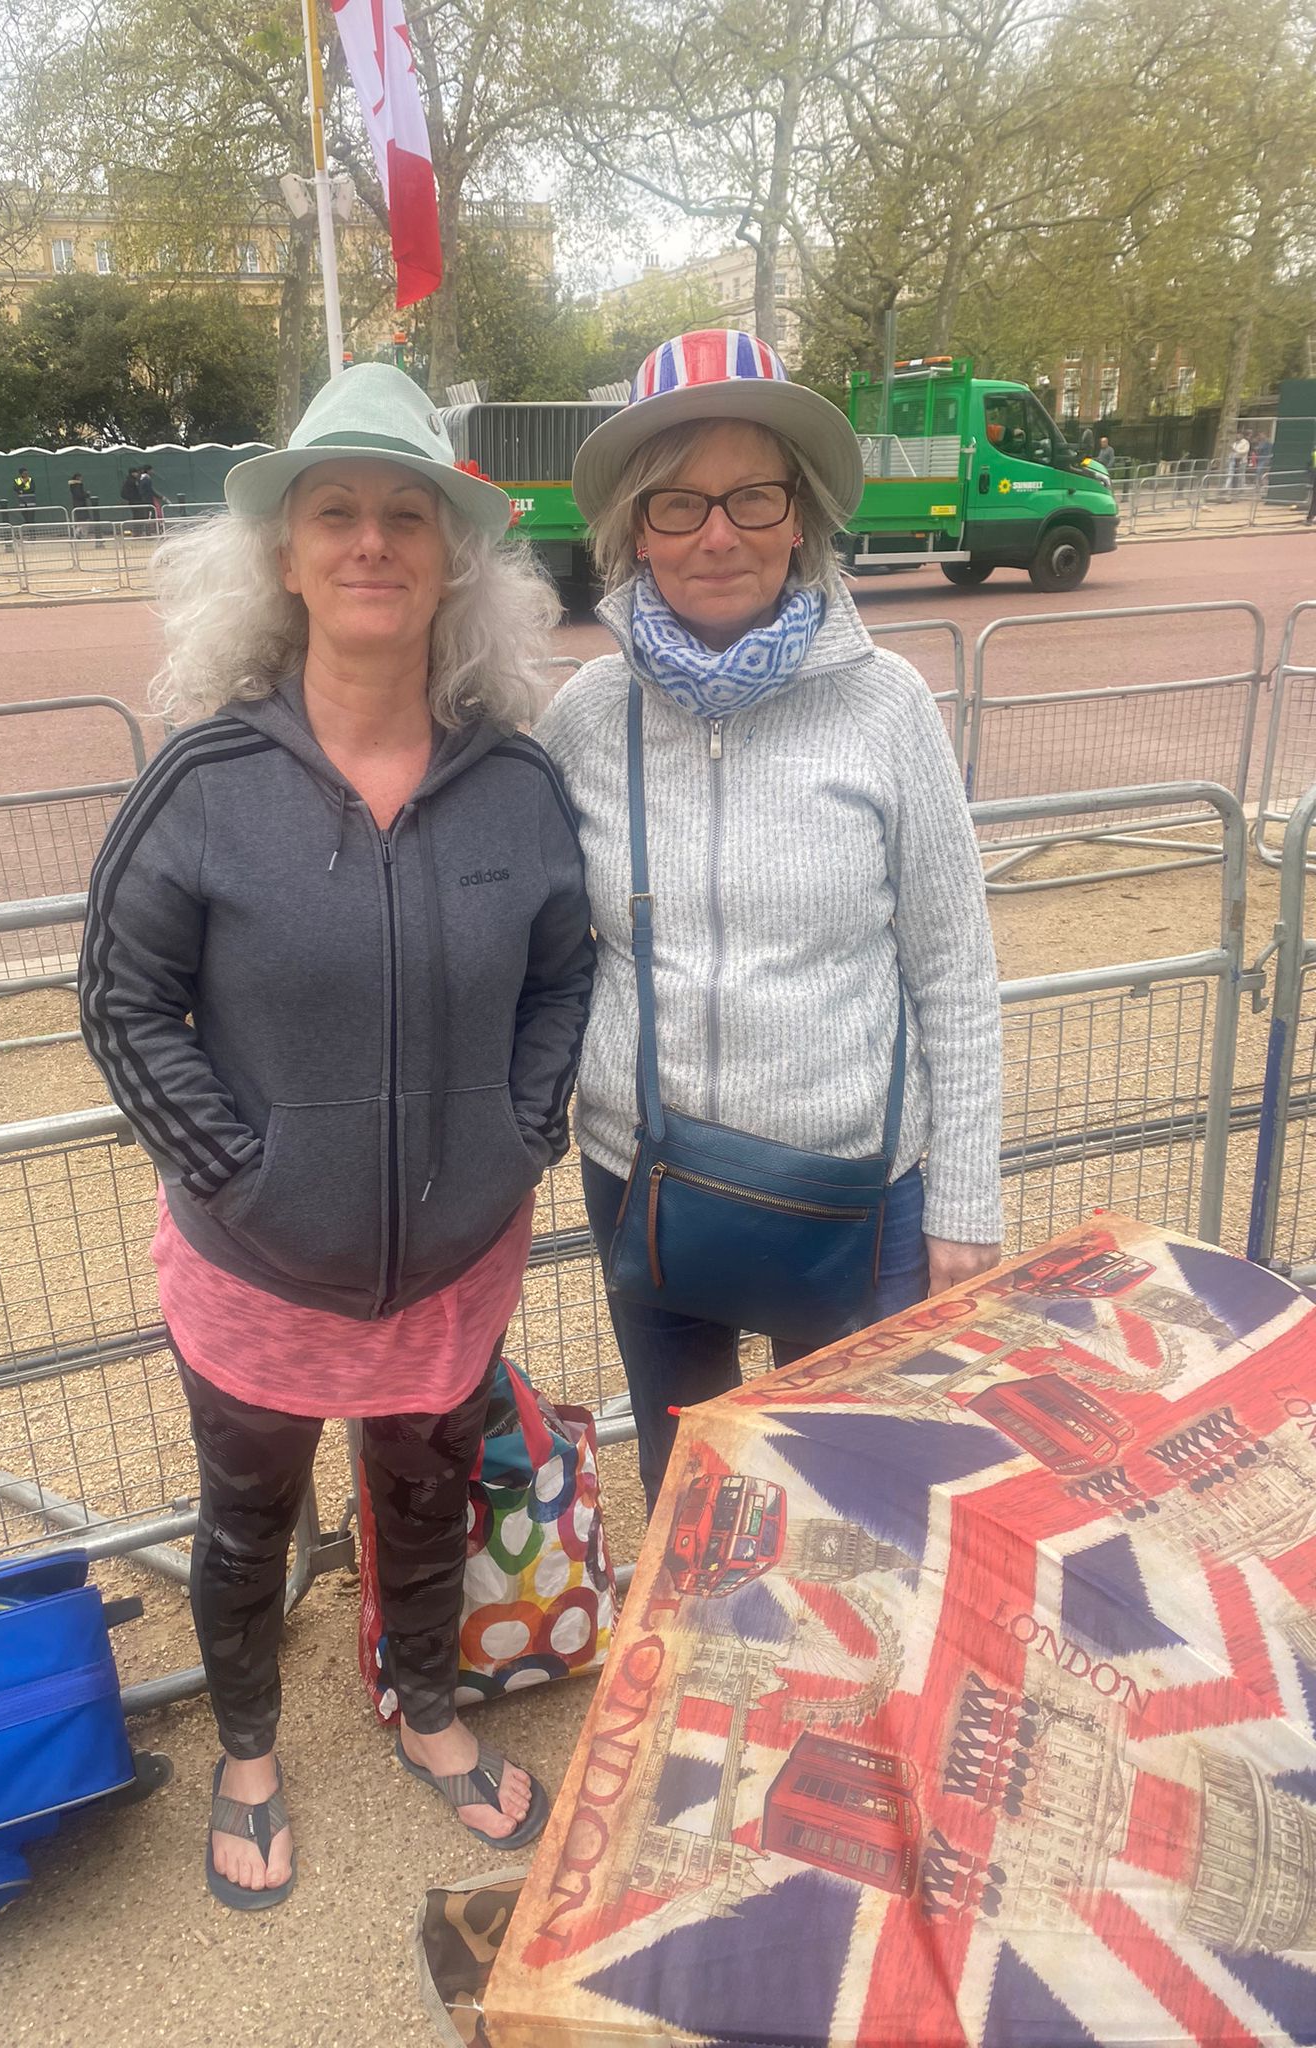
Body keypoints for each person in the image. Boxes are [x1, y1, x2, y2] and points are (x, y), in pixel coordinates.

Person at [78, 363, 593, 1909]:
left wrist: (521, 1131)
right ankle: (247, 1744)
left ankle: (428, 1711)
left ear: (453, 558)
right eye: (336, 515)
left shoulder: (515, 784)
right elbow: (122, 999)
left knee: (427, 1496)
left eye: (405, 517)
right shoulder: (206, 781)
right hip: (257, 1271)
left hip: (453, 1256)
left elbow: (564, 972)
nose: (372, 542)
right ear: (288, 558)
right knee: (248, 1515)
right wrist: (239, 1170)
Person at [535, 329, 1004, 1509]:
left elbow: (954, 968)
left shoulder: (888, 705)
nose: (718, 533)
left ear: (798, 515)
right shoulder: (583, 718)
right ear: (635, 529)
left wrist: (967, 1203)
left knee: (858, 1484)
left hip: (858, 1188)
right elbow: (539, 953)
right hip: (645, 1175)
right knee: (694, 1485)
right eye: (679, 503)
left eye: (752, 495)